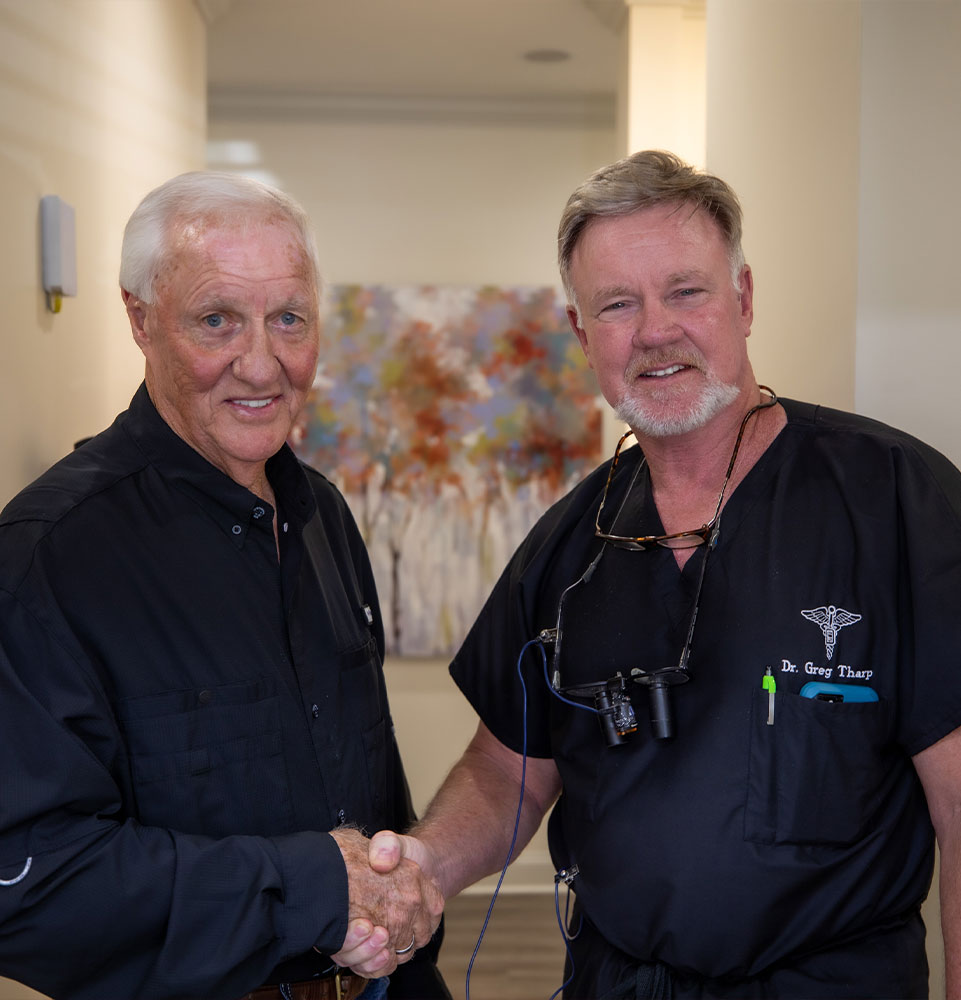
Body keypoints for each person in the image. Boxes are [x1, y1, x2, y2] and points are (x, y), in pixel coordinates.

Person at [365, 150, 961, 998]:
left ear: (744, 300)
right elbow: (507, 773)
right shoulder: (568, 547)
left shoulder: (894, 500)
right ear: (582, 335)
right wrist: (422, 862)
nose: (654, 331)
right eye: (616, 305)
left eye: (686, 291)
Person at [0, 173, 448, 1000]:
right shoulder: (49, 556)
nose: (261, 363)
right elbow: (27, 887)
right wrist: (312, 885)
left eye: (289, 319)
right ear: (140, 320)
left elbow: (366, 779)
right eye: (216, 320)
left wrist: (398, 900)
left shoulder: (324, 517)